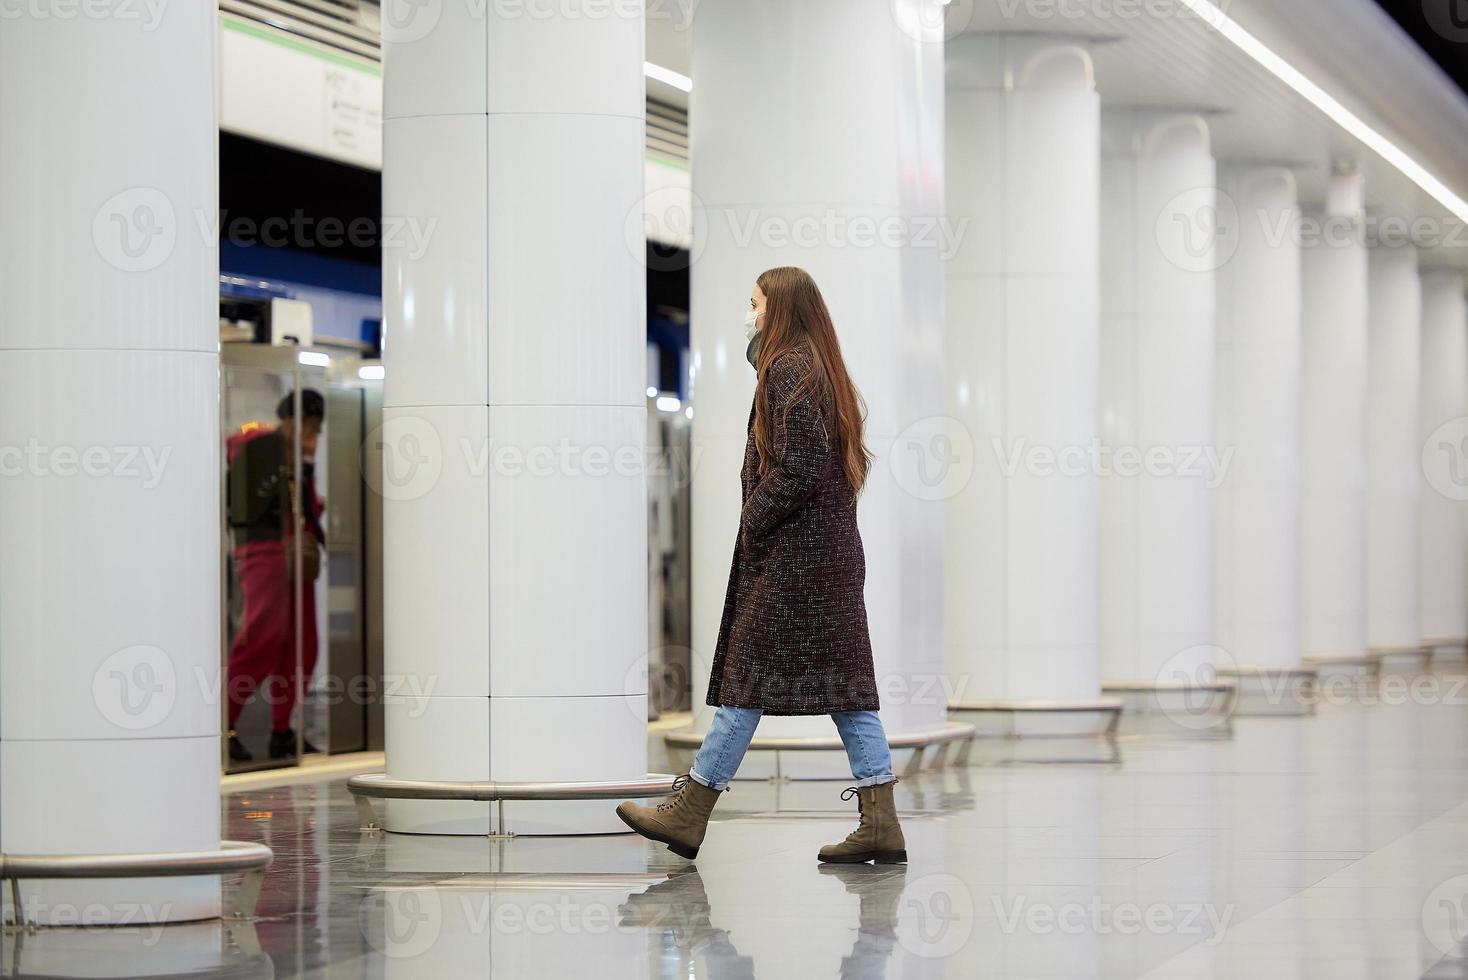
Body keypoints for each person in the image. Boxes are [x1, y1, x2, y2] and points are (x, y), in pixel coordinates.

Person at [618, 267, 906, 864]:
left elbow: (798, 466)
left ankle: (691, 810)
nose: (747, 313)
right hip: (823, 559)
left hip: (796, 563)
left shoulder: (787, 367)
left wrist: (754, 517)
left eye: (753, 302)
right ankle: (880, 820)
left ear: (779, 307)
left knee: (746, 679)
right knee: (845, 689)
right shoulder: (816, 366)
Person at [224, 389, 327, 761]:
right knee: (261, 639)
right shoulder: (257, 446)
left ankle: (283, 730)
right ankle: (224, 725)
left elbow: (310, 506)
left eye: (316, 428)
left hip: (295, 554)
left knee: (301, 645)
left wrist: (308, 466)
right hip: (264, 551)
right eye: (306, 425)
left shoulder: (298, 456)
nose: (310, 433)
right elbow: (247, 502)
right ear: (289, 420)